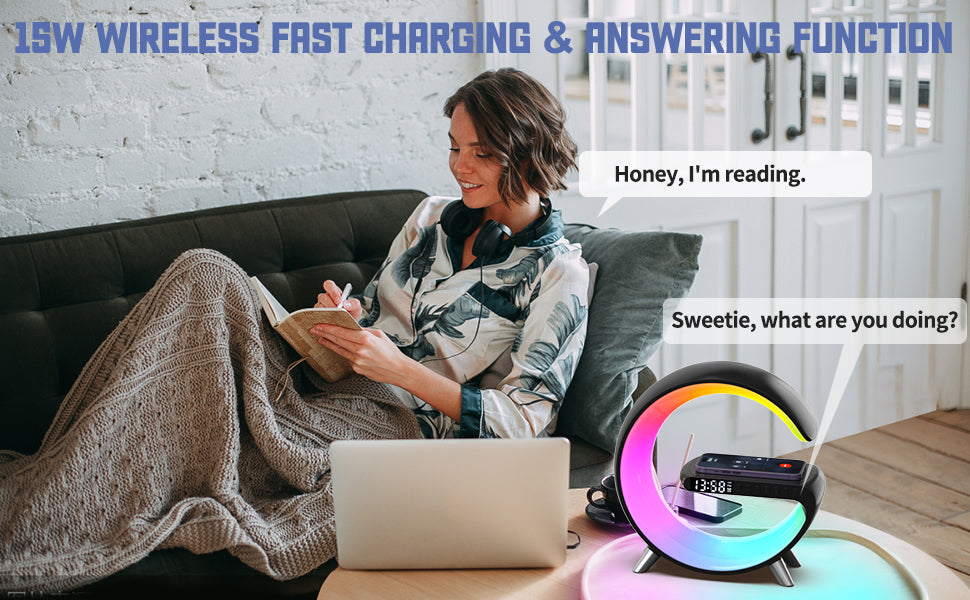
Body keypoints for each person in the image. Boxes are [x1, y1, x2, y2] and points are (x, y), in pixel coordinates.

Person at [309, 68, 589, 440]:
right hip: (335, 391)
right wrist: (348, 317)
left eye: (482, 152)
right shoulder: (430, 216)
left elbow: (520, 423)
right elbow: (372, 315)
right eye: (455, 147)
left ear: (528, 155)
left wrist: (400, 370)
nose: (459, 166)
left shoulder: (558, 273)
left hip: (392, 428)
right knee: (211, 275)